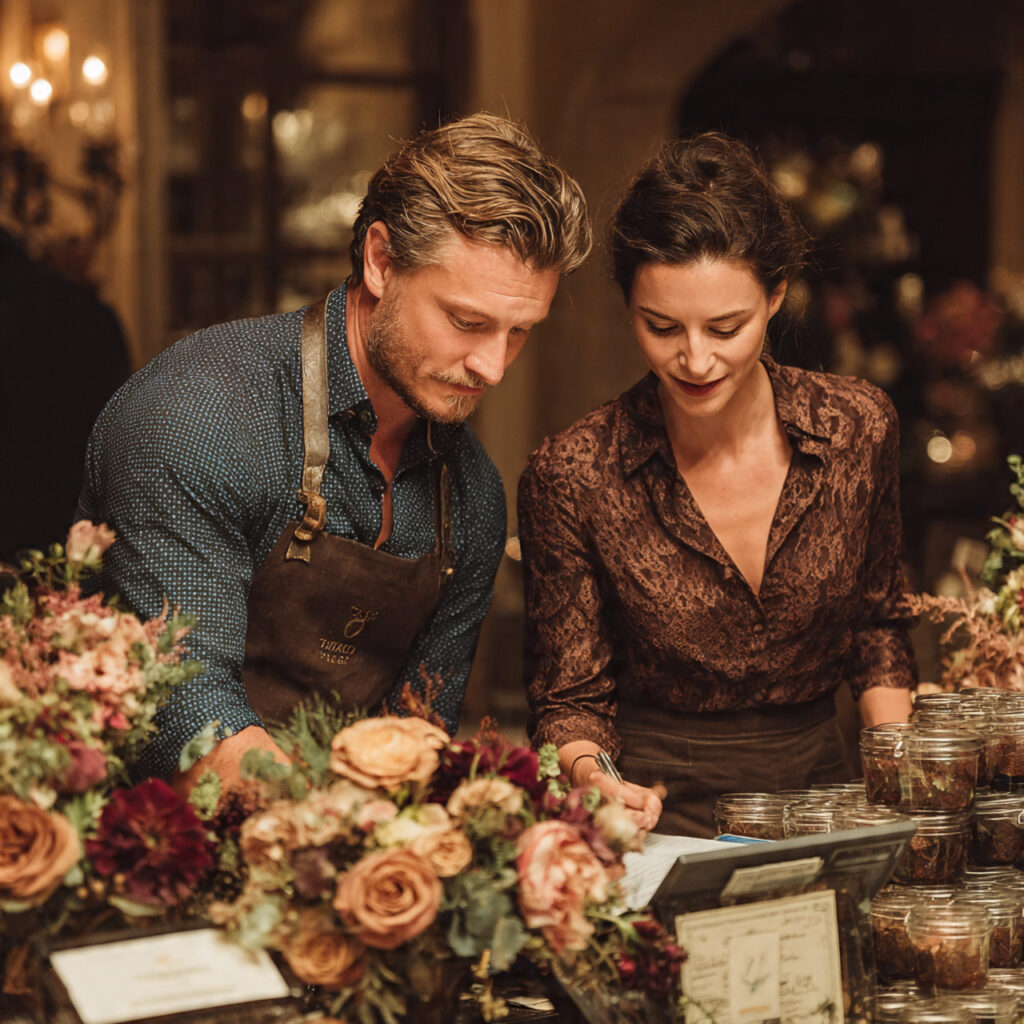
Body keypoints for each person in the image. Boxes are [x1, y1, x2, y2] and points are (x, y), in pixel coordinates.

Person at [77, 112, 591, 791]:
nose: (493, 366)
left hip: (339, 869)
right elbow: (190, 722)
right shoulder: (198, 414)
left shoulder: (471, 496)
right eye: (466, 322)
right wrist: (343, 828)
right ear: (381, 260)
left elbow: (416, 743)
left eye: (519, 332)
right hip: (143, 851)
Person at [517, 132, 916, 837]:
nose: (695, 359)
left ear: (777, 297)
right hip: (658, 811)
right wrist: (600, 784)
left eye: (726, 327)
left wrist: (899, 767)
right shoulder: (575, 474)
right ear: (628, 307)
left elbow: (877, 624)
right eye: (661, 326)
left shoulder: (857, 428)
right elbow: (568, 699)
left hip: (828, 799)